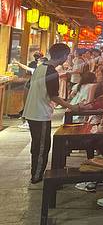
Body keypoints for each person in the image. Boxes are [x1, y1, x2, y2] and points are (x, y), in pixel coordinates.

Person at [23, 43, 78, 185]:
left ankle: (36, 173)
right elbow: (54, 96)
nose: (67, 58)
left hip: (32, 112)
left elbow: (27, 87)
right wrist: (72, 107)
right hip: (40, 114)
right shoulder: (51, 72)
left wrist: (25, 107)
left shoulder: (40, 68)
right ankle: (36, 176)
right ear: (64, 56)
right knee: (42, 146)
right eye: (67, 55)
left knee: (38, 144)